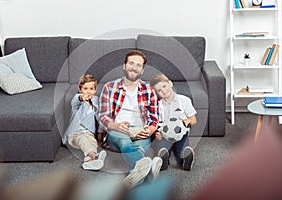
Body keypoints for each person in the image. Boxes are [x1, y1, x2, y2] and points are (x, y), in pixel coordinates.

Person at [98, 50, 162, 188]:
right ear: (124, 65)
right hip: (117, 129)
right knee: (125, 142)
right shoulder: (109, 87)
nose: (134, 67)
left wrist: (150, 130)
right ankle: (150, 168)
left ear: (142, 70)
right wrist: (116, 126)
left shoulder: (149, 89)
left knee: (139, 147)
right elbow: (102, 116)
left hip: (140, 129)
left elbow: (154, 117)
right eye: (131, 63)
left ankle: (136, 173)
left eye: (138, 65)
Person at [149, 73, 197, 171]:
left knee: (182, 148)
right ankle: (163, 160)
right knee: (162, 148)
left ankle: (185, 158)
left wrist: (186, 121)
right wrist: (156, 133)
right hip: (165, 134)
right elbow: (155, 123)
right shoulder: (157, 106)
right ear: (156, 93)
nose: (163, 91)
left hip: (181, 133)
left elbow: (193, 120)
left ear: (170, 83)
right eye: (159, 90)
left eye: (164, 86)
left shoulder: (184, 100)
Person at [63, 74, 106, 170]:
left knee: (92, 142)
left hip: (89, 133)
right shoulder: (77, 100)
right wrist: (82, 98)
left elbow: (99, 119)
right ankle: (94, 156)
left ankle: (89, 160)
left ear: (95, 90)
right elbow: (77, 100)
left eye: (91, 89)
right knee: (83, 139)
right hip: (75, 134)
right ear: (80, 89)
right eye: (85, 88)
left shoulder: (96, 101)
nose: (88, 91)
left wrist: (99, 138)